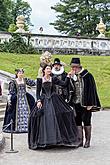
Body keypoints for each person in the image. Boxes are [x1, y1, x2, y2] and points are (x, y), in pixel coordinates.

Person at [28, 64, 80, 150]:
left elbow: (64, 84)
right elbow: (38, 92)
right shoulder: (40, 79)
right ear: (44, 70)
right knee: (39, 118)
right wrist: (38, 101)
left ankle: (57, 139)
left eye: (50, 69)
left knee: (64, 113)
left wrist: (68, 76)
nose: (49, 70)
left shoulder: (53, 78)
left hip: (54, 99)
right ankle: (44, 141)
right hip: (44, 99)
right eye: (47, 69)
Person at [68, 58, 101, 148]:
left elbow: (92, 90)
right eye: (72, 67)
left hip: (86, 104)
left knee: (86, 122)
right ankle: (79, 140)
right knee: (77, 122)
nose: (73, 69)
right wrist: (70, 78)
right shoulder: (72, 76)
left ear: (79, 66)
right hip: (76, 103)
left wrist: (90, 103)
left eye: (75, 67)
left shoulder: (88, 76)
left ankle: (87, 141)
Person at [3, 69, 35, 133]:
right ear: (17, 74)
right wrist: (9, 98)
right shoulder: (13, 82)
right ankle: (17, 128)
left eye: (22, 73)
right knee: (14, 113)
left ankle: (27, 127)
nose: (21, 74)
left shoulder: (25, 80)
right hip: (17, 99)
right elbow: (11, 91)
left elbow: (33, 83)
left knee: (28, 110)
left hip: (25, 98)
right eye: (19, 73)